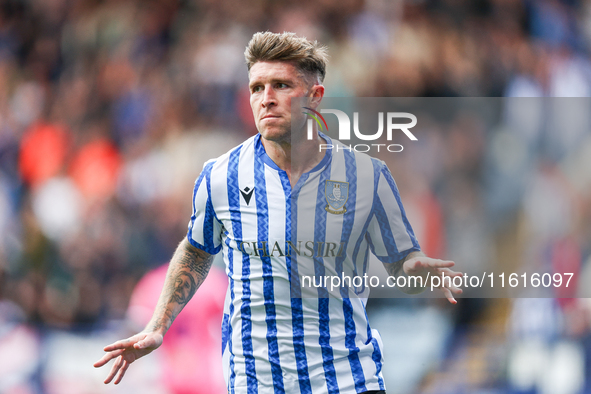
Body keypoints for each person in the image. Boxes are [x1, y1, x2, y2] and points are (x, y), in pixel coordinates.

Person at [94, 31, 462, 394]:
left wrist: (414, 265)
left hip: (347, 379)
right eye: (257, 88)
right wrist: (158, 325)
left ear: (315, 97)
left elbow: (399, 255)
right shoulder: (221, 176)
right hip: (259, 383)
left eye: (281, 86)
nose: (266, 99)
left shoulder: (365, 176)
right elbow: (196, 250)